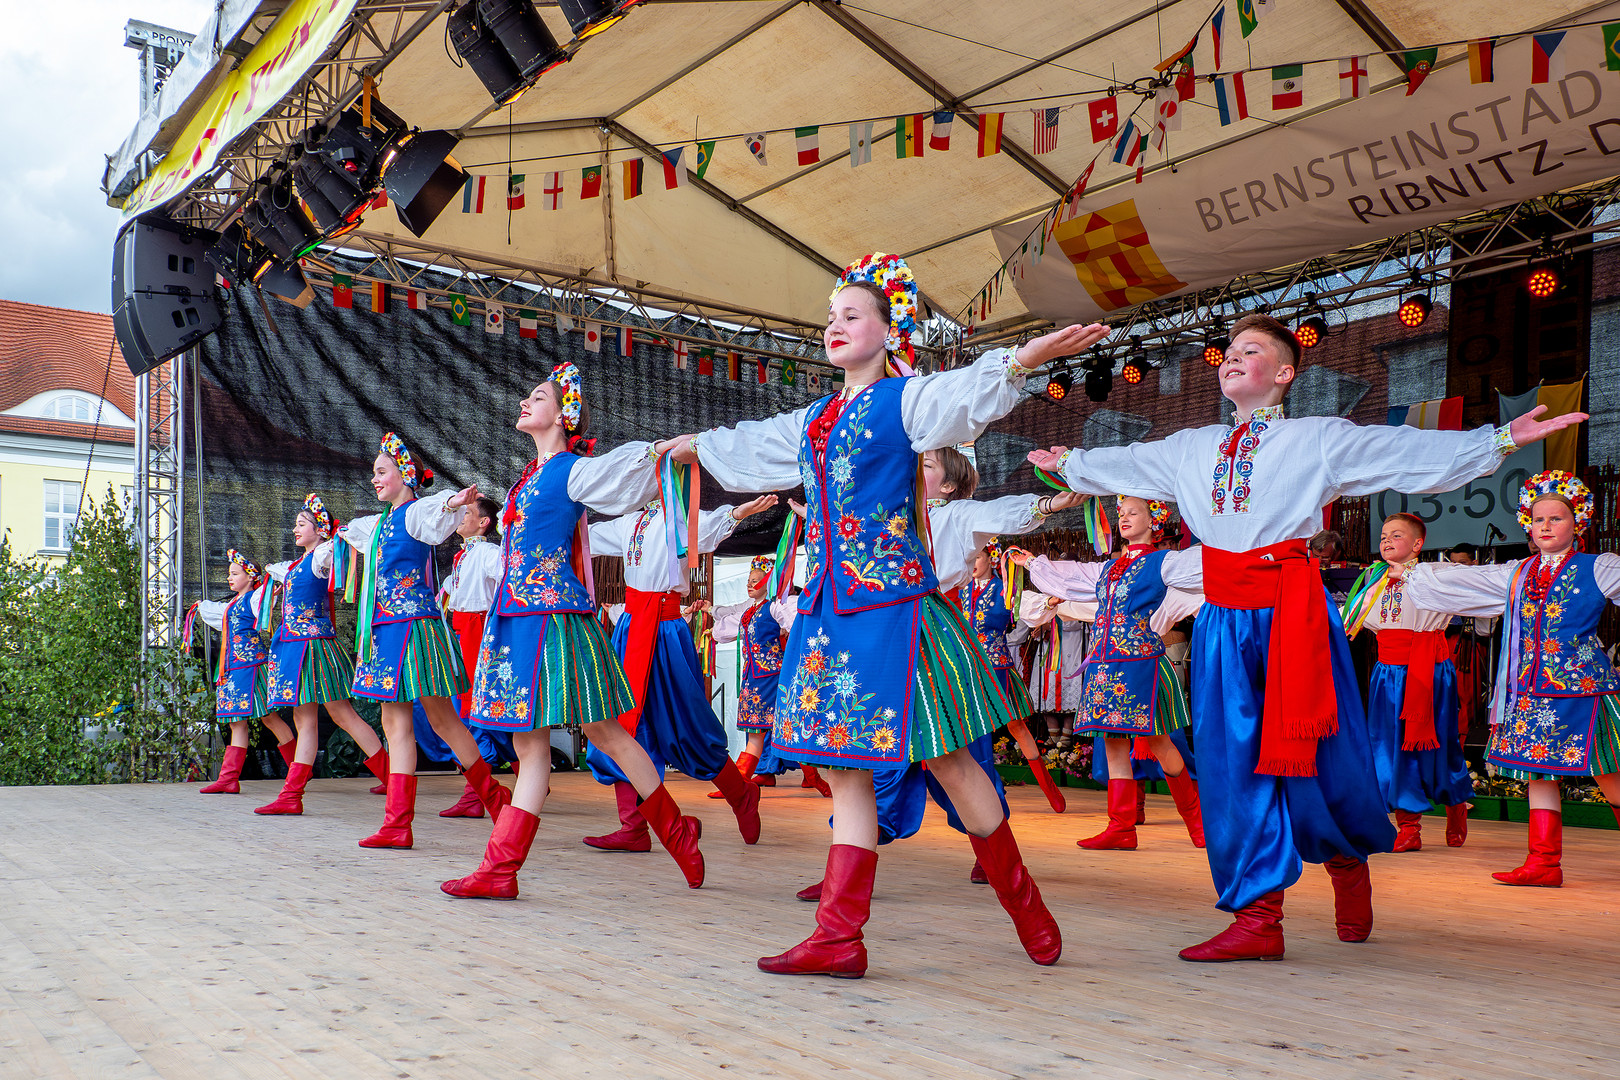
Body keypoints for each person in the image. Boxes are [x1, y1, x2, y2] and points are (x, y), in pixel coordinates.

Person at [1027, 312, 1585, 961]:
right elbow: (1121, 462)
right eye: (1229, 351)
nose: (1233, 358)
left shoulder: (1316, 438)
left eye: (1252, 350)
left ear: (1285, 373)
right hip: (1224, 620)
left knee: (1320, 754)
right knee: (1233, 764)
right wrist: (1066, 461)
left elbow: (1400, 452)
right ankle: (1259, 917)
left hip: (1292, 612)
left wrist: (1498, 440)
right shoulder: (1190, 447)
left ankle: (1347, 862)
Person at [665, 252, 1111, 977]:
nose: (835, 327)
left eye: (851, 315)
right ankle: (839, 937)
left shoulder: (903, 402)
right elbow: (750, 445)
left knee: (954, 761)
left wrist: (1024, 358)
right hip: (831, 611)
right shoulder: (814, 419)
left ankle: (1027, 906)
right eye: (830, 318)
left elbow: (967, 395)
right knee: (845, 773)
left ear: (887, 331)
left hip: (895, 608)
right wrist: (692, 447)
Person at [442, 362, 706, 899]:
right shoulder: (527, 476)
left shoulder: (571, 470)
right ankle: (500, 872)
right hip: (517, 619)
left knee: (606, 732)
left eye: (536, 397)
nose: (524, 403)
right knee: (530, 745)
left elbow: (617, 471)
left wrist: (657, 451)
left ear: (563, 415)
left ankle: (677, 831)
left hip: (556, 619)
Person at [1400, 471, 1620, 887]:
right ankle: (1543, 863)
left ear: (1577, 524)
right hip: (1531, 690)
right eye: (1539, 520)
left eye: (1557, 519)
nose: (1547, 527)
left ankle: (1544, 862)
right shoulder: (1518, 573)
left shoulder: (1599, 567)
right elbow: (1468, 581)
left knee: (1609, 773)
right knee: (1538, 771)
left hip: (1584, 689)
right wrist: (1410, 573)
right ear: (1529, 526)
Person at [336, 433, 511, 849]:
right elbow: (351, 533)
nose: (375, 480)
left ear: (404, 475)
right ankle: (399, 824)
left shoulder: (415, 514)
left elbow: (439, 509)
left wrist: (453, 502)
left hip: (414, 628)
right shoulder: (378, 524)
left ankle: (493, 797)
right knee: (396, 721)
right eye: (374, 474)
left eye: (382, 472)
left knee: (443, 720)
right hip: (384, 629)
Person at [579, 491, 779, 849]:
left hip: (664, 628)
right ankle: (634, 828)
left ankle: (740, 794)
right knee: (625, 724)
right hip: (632, 627)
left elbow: (708, 529)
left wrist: (738, 513)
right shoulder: (629, 521)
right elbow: (587, 538)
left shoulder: (680, 517)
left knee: (687, 725)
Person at [1010, 497, 1206, 851]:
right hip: (1105, 665)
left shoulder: (1165, 563)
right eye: (1121, 514)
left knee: (1160, 743)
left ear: (1154, 521)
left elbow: (1207, 570)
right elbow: (1074, 576)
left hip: (1140, 664)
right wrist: (1034, 563)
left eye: (1134, 513)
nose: (1125, 518)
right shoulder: (1110, 568)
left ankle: (1197, 822)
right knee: (1114, 744)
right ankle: (1121, 827)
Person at [1340, 513, 1471, 850]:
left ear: (1417, 544)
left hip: (1429, 668)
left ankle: (1456, 803)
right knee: (1388, 746)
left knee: (1439, 741)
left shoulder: (1436, 575)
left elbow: (1468, 582)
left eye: (1396, 535)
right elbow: (1347, 621)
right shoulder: (1371, 580)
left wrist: (1412, 575)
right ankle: (1408, 826)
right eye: (1383, 535)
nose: (1386, 541)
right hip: (1387, 671)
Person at [255, 495, 391, 815]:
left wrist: (341, 534)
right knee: (313, 719)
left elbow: (343, 545)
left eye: (301, 524)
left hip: (313, 648)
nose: (294, 530)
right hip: (295, 646)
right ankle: (294, 794)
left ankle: (388, 779)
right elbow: (276, 569)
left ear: (320, 529)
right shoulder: (298, 564)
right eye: (296, 524)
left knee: (340, 716)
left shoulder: (322, 555)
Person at [705, 555, 831, 798]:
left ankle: (737, 787)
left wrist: (789, 630)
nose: (749, 585)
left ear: (768, 582)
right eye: (748, 581)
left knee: (770, 731)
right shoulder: (750, 611)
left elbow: (800, 622)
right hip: (753, 679)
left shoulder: (776, 606)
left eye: (755, 581)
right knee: (773, 730)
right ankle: (812, 778)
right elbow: (726, 624)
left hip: (773, 678)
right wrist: (707, 612)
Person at [187, 549, 298, 793]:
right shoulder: (231, 605)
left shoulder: (255, 598)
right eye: (229, 574)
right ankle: (229, 779)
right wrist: (200, 606)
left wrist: (270, 590)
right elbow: (215, 612)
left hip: (252, 667)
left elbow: (267, 599)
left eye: (235, 573)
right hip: (232, 669)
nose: (230, 578)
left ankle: (298, 769)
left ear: (250, 577)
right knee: (237, 722)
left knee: (269, 717)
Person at [437, 495, 516, 819]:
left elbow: (509, 581)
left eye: (467, 512)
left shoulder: (488, 553)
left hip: (479, 631)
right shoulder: (461, 558)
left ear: (484, 522)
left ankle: (476, 794)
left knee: (473, 712)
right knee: (469, 710)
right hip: (461, 632)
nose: (461, 518)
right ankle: (522, 773)